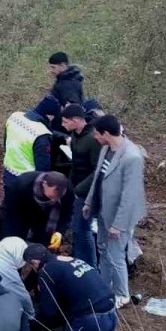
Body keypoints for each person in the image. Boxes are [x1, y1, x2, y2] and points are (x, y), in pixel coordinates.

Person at [82, 115, 146, 309]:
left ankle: (122, 294)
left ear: (106, 134)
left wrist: (118, 224)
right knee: (103, 248)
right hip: (103, 211)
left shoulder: (132, 157)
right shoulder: (105, 149)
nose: (94, 137)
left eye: (96, 133)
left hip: (120, 216)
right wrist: (88, 202)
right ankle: (104, 286)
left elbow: (130, 196)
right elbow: (98, 179)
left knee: (116, 254)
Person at [61, 104, 104, 266]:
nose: (63, 125)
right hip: (77, 189)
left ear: (77, 120)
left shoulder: (93, 140)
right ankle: (80, 261)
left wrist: (79, 190)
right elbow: (75, 164)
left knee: (83, 230)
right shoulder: (75, 136)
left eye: (66, 122)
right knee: (78, 230)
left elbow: (97, 170)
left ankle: (89, 266)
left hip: (88, 193)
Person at [0, 171, 69, 246]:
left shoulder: (67, 189)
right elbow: (7, 212)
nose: (54, 200)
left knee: (44, 242)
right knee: (14, 239)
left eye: (59, 197)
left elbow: (66, 212)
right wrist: (6, 237)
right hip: (21, 211)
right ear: (44, 184)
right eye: (51, 197)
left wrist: (59, 232)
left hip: (46, 217)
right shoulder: (21, 185)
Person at [1, 95, 60, 187]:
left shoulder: (15, 117)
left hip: (8, 172)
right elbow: (42, 167)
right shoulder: (41, 134)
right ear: (50, 115)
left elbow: (5, 142)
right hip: (27, 180)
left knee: (8, 199)